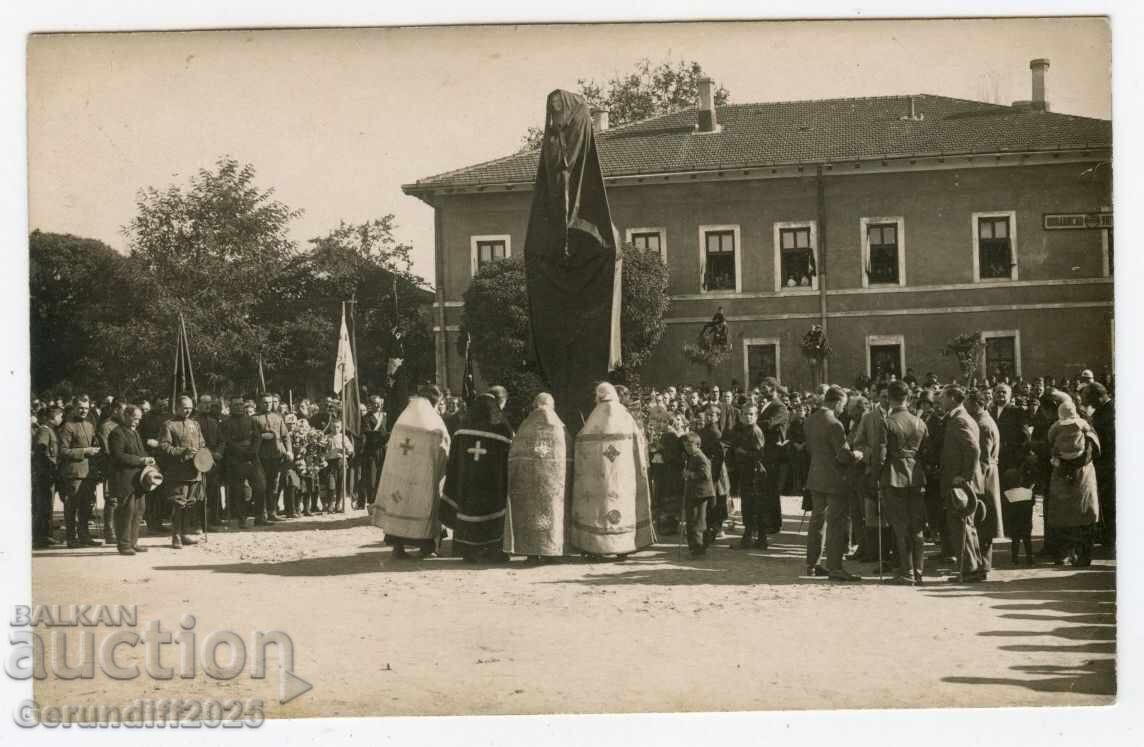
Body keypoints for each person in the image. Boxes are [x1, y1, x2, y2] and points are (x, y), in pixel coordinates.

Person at [570, 383, 655, 559]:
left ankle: (596, 548)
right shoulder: (625, 416)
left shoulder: (594, 418)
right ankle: (623, 547)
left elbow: (580, 443)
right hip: (622, 477)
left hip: (598, 480)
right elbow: (640, 442)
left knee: (599, 509)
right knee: (622, 506)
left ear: (599, 396)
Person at [370, 384, 451, 559]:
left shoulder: (403, 419)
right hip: (423, 479)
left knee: (399, 505)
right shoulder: (434, 423)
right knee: (423, 506)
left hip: (399, 478)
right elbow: (444, 450)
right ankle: (427, 547)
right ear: (435, 401)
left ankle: (398, 548)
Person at [442, 393, 514, 562]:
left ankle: (467, 550)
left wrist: (453, 481)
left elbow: (453, 461)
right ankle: (494, 550)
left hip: (467, 483)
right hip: (492, 484)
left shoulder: (462, 430)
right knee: (493, 514)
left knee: (467, 512)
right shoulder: (503, 429)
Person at [504, 393, 572, 562]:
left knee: (531, 514)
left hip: (530, 483)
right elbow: (570, 455)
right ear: (552, 405)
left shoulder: (525, 427)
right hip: (553, 484)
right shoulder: (560, 428)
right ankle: (553, 551)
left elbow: (514, 455)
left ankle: (532, 552)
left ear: (535, 405)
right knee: (554, 513)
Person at [804, 386, 861, 581]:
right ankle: (835, 567)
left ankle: (812, 563)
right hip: (835, 479)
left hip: (816, 475)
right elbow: (843, 456)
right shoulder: (835, 424)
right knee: (837, 523)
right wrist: (857, 455)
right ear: (837, 402)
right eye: (843, 405)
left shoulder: (810, 420)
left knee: (817, 522)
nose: (843, 410)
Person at [875, 381, 929, 585]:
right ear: (908, 398)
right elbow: (927, 451)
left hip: (893, 475)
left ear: (889, 398)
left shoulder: (886, 422)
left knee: (900, 526)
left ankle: (906, 573)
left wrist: (876, 477)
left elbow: (880, 455)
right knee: (917, 526)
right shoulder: (920, 423)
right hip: (916, 476)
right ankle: (918, 571)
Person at [1046, 398, 1101, 566]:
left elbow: (1051, 445)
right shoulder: (1086, 428)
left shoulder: (1056, 428)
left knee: (1066, 514)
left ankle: (1069, 553)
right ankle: (1078, 554)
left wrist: (1064, 464)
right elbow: (1093, 452)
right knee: (1081, 514)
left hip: (1066, 473)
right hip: (1081, 474)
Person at [940, 386, 985, 583]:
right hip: (963, 482)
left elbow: (973, 450)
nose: (940, 401)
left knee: (961, 526)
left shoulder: (959, 420)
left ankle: (968, 570)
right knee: (967, 525)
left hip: (961, 484)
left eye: (942, 397)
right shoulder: (962, 418)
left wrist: (964, 477)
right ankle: (974, 567)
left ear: (952, 398)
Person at [965, 390, 1005, 575]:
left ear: (976, 404)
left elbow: (983, 457)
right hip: (987, 475)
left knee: (983, 519)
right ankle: (982, 565)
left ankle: (983, 566)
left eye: (968, 403)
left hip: (984, 477)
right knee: (984, 521)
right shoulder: (983, 421)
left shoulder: (982, 424)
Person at [158, 395, 207, 549]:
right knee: (179, 503)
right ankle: (176, 536)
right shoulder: (169, 425)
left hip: (195, 470)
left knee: (191, 504)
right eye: (185, 407)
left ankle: (185, 533)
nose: (188, 410)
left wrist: (202, 454)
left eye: (190, 408)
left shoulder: (195, 424)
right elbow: (164, 446)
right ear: (177, 407)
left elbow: (202, 443)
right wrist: (183, 451)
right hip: (178, 471)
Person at [108, 405, 155, 555]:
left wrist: (149, 459)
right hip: (124, 479)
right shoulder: (117, 433)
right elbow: (118, 456)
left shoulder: (135, 433)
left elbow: (141, 452)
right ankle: (123, 545)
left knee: (139, 510)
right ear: (126, 416)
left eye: (139, 419)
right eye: (135, 418)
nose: (137, 422)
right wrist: (142, 460)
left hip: (138, 480)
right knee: (126, 511)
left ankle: (133, 543)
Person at [57, 396, 103, 548]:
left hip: (88, 473)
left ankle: (84, 536)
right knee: (72, 506)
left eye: (86, 408)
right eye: (81, 408)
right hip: (73, 473)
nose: (84, 411)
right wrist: (85, 451)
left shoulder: (90, 425)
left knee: (86, 506)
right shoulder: (67, 427)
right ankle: (71, 538)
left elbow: (93, 442)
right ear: (75, 408)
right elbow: (62, 451)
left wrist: (96, 447)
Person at [729, 402, 767, 549]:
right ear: (741, 416)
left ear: (756, 416)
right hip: (747, 472)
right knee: (749, 505)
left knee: (754, 505)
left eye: (751, 414)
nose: (748, 417)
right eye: (746, 414)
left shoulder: (755, 431)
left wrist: (743, 453)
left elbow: (760, 454)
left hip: (754, 473)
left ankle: (756, 538)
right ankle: (752, 537)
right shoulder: (745, 430)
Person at [757, 378, 790, 539]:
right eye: (762, 387)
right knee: (765, 488)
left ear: (774, 388)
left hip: (773, 453)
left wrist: (754, 423)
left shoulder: (780, 407)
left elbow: (769, 424)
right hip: (765, 452)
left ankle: (773, 523)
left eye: (767, 387)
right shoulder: (767, 405)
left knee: (771, 488)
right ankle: (766, 521)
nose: (764, 389)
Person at [253, 392, 292, 521]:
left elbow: (285, 436)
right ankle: (260, 514)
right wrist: (260, 437)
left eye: (270, 402)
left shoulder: (278, 417)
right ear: (259, 404)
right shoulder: (254, 419)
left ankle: (272, 512)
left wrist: (289, 451)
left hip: (276, 455)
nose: (268, 405)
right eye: (265, 402)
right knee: (261, 485)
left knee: (273, 485)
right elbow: (250, 436)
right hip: (260, 456)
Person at [1084, 383, 1115, 547]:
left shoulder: (1111, 412)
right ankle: (1107, 534)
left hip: (1109, 465)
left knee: (1110, 501)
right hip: (1104, 464)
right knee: (1105, 501)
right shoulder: (1103, 411)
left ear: (1098, 396)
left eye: (1089, 399)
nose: (1088, 403)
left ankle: (1111, 536)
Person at [31, 406, 63, 548]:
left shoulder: (49, 430)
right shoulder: (44, 430)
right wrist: (51, 466)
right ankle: (42, 536)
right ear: (53, 417)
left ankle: (45, 535)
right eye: (59, 416)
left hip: (47, 474)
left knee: (46, 505)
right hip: (45, 475)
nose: (61, 419)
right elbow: (41, 450)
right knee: (44, 505)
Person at [698, 405, 730, 544]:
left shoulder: (716, 433)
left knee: (717, 499)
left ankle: (716, 527)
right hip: (707, 468)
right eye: (708, 414)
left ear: (717, 417)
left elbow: (719, 455)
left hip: (715, 470)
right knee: (711, 500)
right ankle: (710, 526)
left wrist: (712, 473)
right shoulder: (703, 431)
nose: (709, 417)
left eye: (713, 415)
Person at [681, 432, 715, 558]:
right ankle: (697, 548)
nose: (687, 448)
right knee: (693, 520)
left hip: (700, 494)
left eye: (690, 446)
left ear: (698, 445)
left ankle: (698, 550)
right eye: (685, 446)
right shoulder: (691, 456)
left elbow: (706, 474)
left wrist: (690, 474)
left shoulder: (700, 457)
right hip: (695, 493)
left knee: (696, 522)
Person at [361, 395, 388, 506]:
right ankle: (372, 501)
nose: (377, 405)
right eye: (374, 403)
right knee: (372, 477)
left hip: (383, 449)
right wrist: (384, 435)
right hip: (371, 450)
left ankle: (381, 501)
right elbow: (368, 433)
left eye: (378, 403)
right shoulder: (366, 418)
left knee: (382, 476)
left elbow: (388, 429)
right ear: (370, 405)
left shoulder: (385, 416)